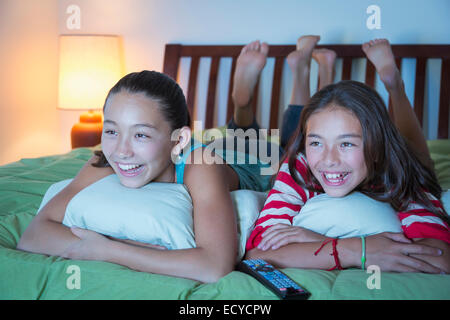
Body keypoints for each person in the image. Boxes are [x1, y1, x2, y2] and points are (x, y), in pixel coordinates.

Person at [17, 70, 277, 283]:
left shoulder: (201, 166)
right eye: (111, 131)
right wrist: (117, 242)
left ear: (179, 139)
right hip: (209, 146)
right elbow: (33, 235)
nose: (121, 151)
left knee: (270, 141)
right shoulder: (105, 158)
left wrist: (109, 250)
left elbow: (214, 266)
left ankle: (244, 105)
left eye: (140, 134)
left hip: (252, 160)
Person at [241, 36, 449, 273]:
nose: (329, 159)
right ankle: (312, 71)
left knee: (420, 158)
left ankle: (394, 84)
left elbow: (440, 258)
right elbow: (258, 253)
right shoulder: (300, 164)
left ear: (378, 147)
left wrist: (313, 243)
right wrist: (355, 249)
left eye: (347, 144)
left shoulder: (399, 171)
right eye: (316, 142)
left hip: (401, 156)